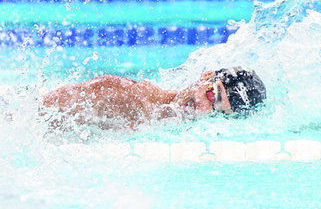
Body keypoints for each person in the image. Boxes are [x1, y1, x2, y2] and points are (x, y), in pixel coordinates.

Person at [40, 67, 266, 131]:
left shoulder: (165, 124)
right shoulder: (127, 94)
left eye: (217, 112)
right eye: (210, 95)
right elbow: (39, 112)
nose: (204, 109)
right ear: (205, 77)